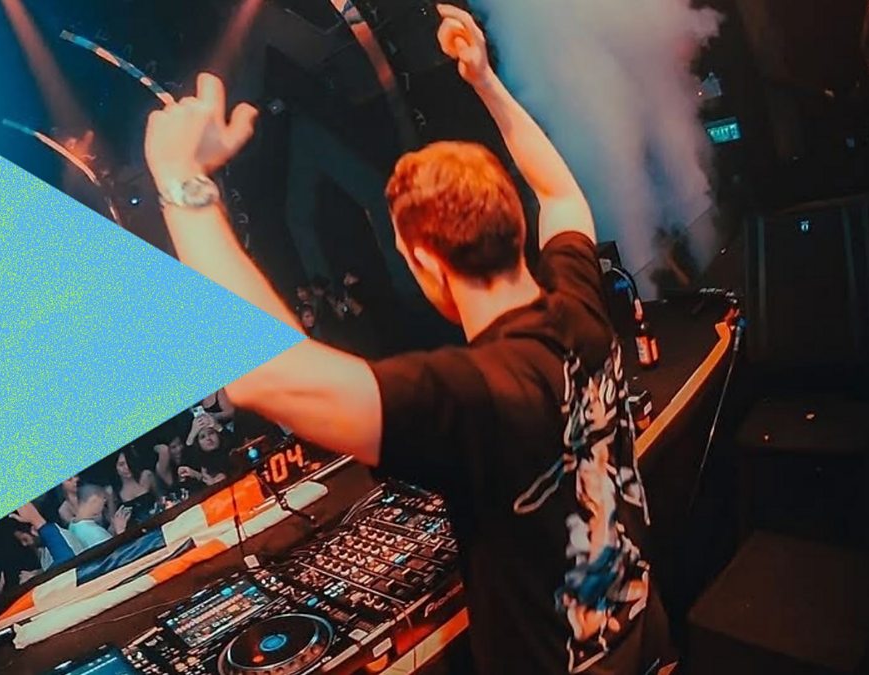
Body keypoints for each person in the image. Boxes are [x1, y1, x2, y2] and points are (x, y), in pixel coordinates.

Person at [142, 5, 674, 673]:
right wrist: (483, 81)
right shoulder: (580, 306)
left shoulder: (470, 396)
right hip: (649, 642)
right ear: (515, 221)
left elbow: (265, 378)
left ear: (423, 260)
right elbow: (560, 192)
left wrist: (182, 185)